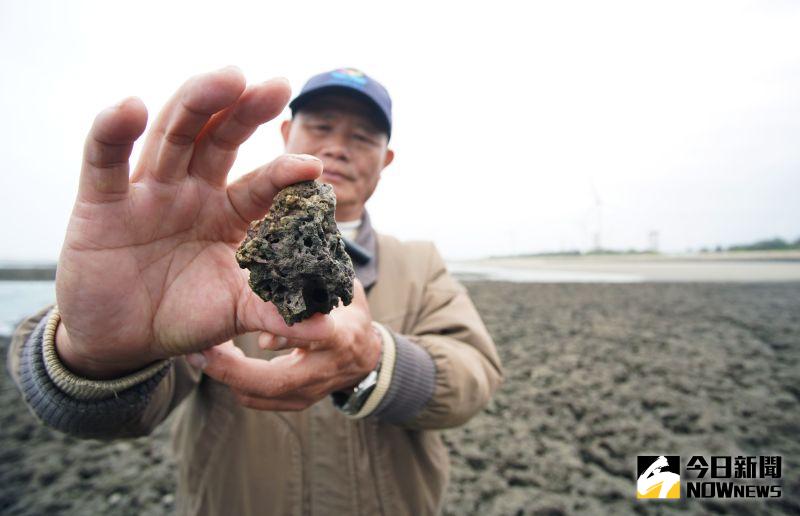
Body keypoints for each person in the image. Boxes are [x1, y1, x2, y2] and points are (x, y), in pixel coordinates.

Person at [8, 66, 503, 515]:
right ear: (287, 133)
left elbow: (474, 375)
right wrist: (96, 357)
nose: (337, 147)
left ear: (385, 158)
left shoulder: (420, 262)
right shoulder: (207, 259)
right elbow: (116, 416)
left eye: (363, 137)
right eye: (322, 127)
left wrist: (373, 358)